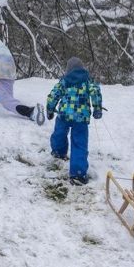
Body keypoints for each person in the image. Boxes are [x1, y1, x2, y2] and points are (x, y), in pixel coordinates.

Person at [46, 56, 104, 185]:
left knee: (59, 134)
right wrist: (97, 108)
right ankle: (77, 174)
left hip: (64, 115)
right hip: (81, 117)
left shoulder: (64, 81)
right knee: (79, 143)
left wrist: (50, 109)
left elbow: (54, 94)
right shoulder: (88, 80)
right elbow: (95, 92)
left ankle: (58, 152)